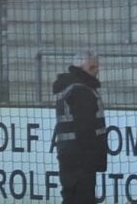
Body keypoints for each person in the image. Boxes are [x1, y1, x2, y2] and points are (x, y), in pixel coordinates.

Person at [53, 51, 108, 204]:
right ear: (80, 68)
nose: (96, 71)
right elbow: (85, 129)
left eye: (97, 67)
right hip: (81, 157)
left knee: (71, 197)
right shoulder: (82, 91)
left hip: (68, 154)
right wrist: (94, 158)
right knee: (83, 198)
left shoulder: (68, 87)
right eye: (92, 67)